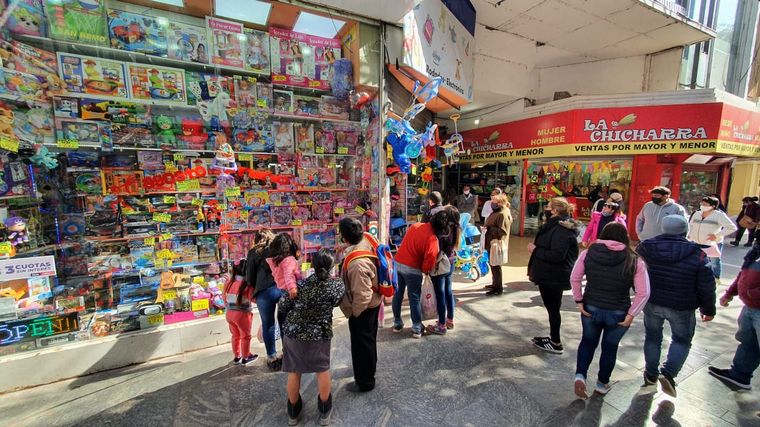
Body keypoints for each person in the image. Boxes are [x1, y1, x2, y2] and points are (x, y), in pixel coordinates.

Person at [637, 215, 716, 397]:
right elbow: (706, 284)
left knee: (652, 337)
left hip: (652, 301)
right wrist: (708, 309)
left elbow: (636, 273)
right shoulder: (697, 253)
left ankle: (651, 374)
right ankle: (669, 373)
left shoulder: (646, 248)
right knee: (681, 340)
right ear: (685, 230)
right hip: (682, 304)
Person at [571, 223, 650, 398]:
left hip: (591, 307)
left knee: (587, 342)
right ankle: (602, 383)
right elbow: (644, 292)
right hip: (618, 311)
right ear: (625, 237)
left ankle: (580, 375)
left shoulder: (588, 253)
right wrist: (632, 314)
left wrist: (579, 300)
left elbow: (575, 277)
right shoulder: (634, 259)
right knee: (610, 347)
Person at [279, 250, 345, 425]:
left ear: (312, 265)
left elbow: (283, 304)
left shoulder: (300, 285)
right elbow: (337, 301)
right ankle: (324, 411)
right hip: (319, 334)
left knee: (294, 371)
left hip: (294, 333)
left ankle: (293, 412)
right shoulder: (336, 285)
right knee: (322, 370)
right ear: (331, 266)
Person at [528, 197, 580, 354]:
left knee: (553, 308)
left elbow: (557, 255)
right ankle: (553, 337)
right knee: (552, 308)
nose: (546, 209)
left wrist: (535, 250)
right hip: (549, 273)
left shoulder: (562, 229)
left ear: (556, 211)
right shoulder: (556, 226)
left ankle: (556, 342)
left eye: (549, 207)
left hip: (553, 275)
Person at [709, 241, 760, 391]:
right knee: (748, 342)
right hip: (750, 307)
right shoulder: (756, 251)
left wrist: (751, 294)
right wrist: (730, 293)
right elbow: (743, 274)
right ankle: (739, 375)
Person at [339, 217, 382, 392]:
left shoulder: (357, 264)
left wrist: (355, 313)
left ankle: (365, 382)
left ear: (344, 238)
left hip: (364, 308)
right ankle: (368, 370)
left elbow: (363, 295)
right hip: (374, 302)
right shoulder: (367, 239)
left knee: (362, 344)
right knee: (368, 340)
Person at [393, 214, 441, 338]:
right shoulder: (433, 239)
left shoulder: (415, 226)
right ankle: (416, 327)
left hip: (398, 262)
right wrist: (425, 271)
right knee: (414, 297)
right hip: (413, 268)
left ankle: (397, 323)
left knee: (398, 294)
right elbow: (429, 260)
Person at [245, 230, 283, 370]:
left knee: (268, 324)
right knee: (284, 322)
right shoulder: (278, 250)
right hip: (281, 288)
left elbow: (249, 277)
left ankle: (272, 357)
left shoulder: (253, 252)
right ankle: (288, 352)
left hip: (264, 291)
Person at [425, 207, 461, 334]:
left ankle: (441, 325)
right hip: (450, 263)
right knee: (448, 292)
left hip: (441, 265)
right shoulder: (456, 228)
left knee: (440, 295)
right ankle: (449, 320)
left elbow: (437, 249)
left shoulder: (445, 232)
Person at [687, 196, 737, 281]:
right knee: (695, 261)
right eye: (702, 203)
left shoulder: (719, 215)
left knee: (714, 262)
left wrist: (717, 235)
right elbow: (690, 225)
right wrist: (689, 235)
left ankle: (716, 278)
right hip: (696, 242)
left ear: (713, 206)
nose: (702, 205)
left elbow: (732, 227)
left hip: (711, 243)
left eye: (705, 204)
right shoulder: (697, 213)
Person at [224, 260, 259, 366]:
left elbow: (224, 297)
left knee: (235, 335)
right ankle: (245, 357)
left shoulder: (229, 282)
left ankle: (237, 356)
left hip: (229, 313)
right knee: (245, 336)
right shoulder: (246, 285)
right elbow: (254, 299)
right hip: (242, 314)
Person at [484, 194, 512, 296]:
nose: (492, 203)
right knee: (493, 264)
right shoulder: (497, 211)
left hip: (496, 243)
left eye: (494, 202)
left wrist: (489, 228)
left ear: (500, 203)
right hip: (491, 242)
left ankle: (498, 288)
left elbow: (502, 231)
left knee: (496, 266)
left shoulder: (502, 214)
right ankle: (494, 283)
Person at [266, 233, 302, 301]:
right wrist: (292, 289)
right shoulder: (288, 260)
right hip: (292, 292)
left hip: (281, 290)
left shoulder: (275, 261)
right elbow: (289, 275)